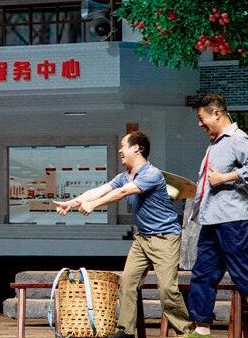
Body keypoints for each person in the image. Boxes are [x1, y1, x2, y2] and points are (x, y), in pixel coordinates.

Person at [54, 131, 191, 338]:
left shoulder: (151, 174)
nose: (119, 151)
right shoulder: (124, 177)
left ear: (136, 148)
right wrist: (71, 203)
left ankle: (185, 331)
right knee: (127, 283)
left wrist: (93, 205)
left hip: (165, 238)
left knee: (167, 290)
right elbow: (100, 190)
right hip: (143, 238)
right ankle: (126, 331)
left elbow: (122, 193)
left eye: (123, 146)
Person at [182, 95, 248, 338]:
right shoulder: (216, 141)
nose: (200, 124)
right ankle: (201, 329)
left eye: (202, 118)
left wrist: (224, 178)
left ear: (217, 114)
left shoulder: (237, 138)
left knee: (241, 273)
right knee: (203, 273)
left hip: (232, 219)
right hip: (211, 219)